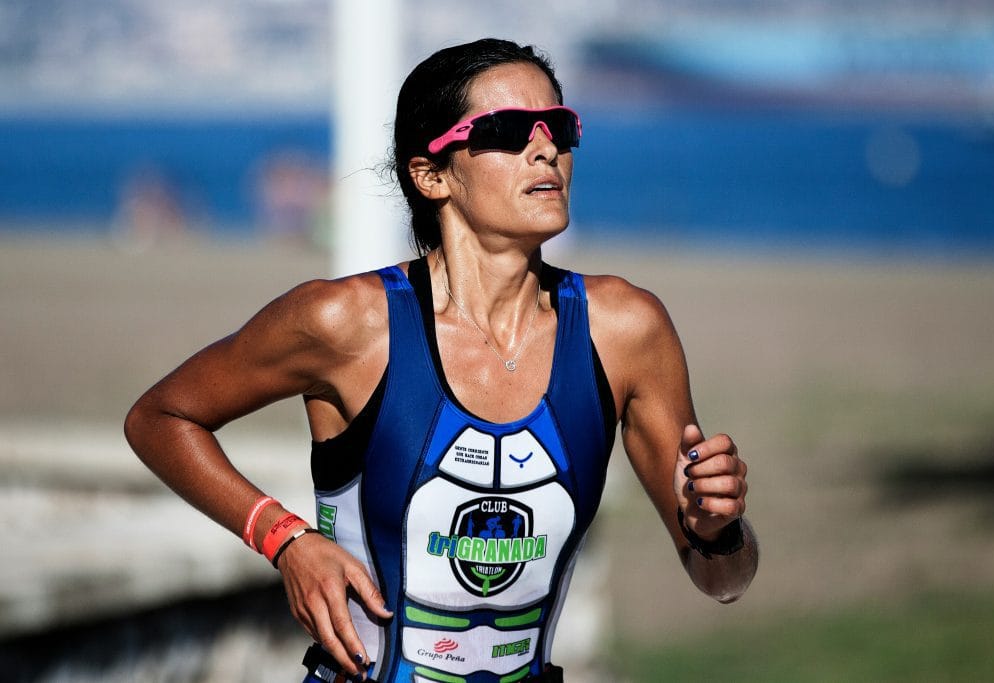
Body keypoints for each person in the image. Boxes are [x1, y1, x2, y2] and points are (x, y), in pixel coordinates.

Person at [124, 38, 758, 683]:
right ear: (431, 175)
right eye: (508, 131)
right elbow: (160, 417)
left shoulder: (624, 329)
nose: (547, 150)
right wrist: (285, 539)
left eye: (560, 128)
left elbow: (724, 581)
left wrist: (719, 531)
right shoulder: (347, 323)